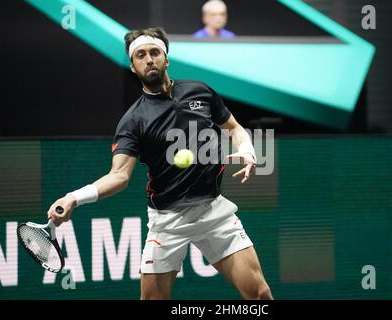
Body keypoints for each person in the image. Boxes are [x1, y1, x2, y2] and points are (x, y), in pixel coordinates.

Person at [47, 27, 272, 300]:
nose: (149, 59)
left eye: (155, 53)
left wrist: (248, 150)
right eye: (140, 55)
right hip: (168, 220)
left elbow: (234, 128)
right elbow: (119, 176)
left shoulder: (200, 92)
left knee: (259, 294)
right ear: (133, 66)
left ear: (166, 59)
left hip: (213, 210)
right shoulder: (134, 120)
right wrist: (74, 198)